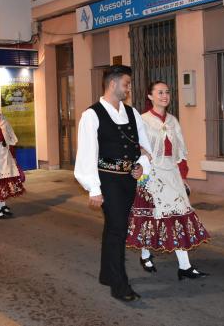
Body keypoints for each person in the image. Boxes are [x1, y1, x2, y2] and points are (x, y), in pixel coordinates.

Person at [74, 65, 152, 302]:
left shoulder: (132, 113)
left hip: (128, 181)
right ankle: (120, 285)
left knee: (113, 229)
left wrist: (141, 167)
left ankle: (107, 274)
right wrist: (94, 189)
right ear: (113, 84)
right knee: (118, 231)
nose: (129, 89)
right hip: (107, 181)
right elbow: (87, 154)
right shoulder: (92, 115)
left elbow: (143, 146)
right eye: (126, 84)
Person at [126, 81, 210, 280]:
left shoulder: (173, 121)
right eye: (160, 92)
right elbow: (135, 146)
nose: (165, 95)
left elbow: (180, 151)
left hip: (171, 174)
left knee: (179, 216)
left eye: (167, 92)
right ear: (150, 96)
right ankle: (146, 255)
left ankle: (185, 266)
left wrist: (183, 177)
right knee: (152, 218)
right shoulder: (143, 120)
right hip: (152, 174)